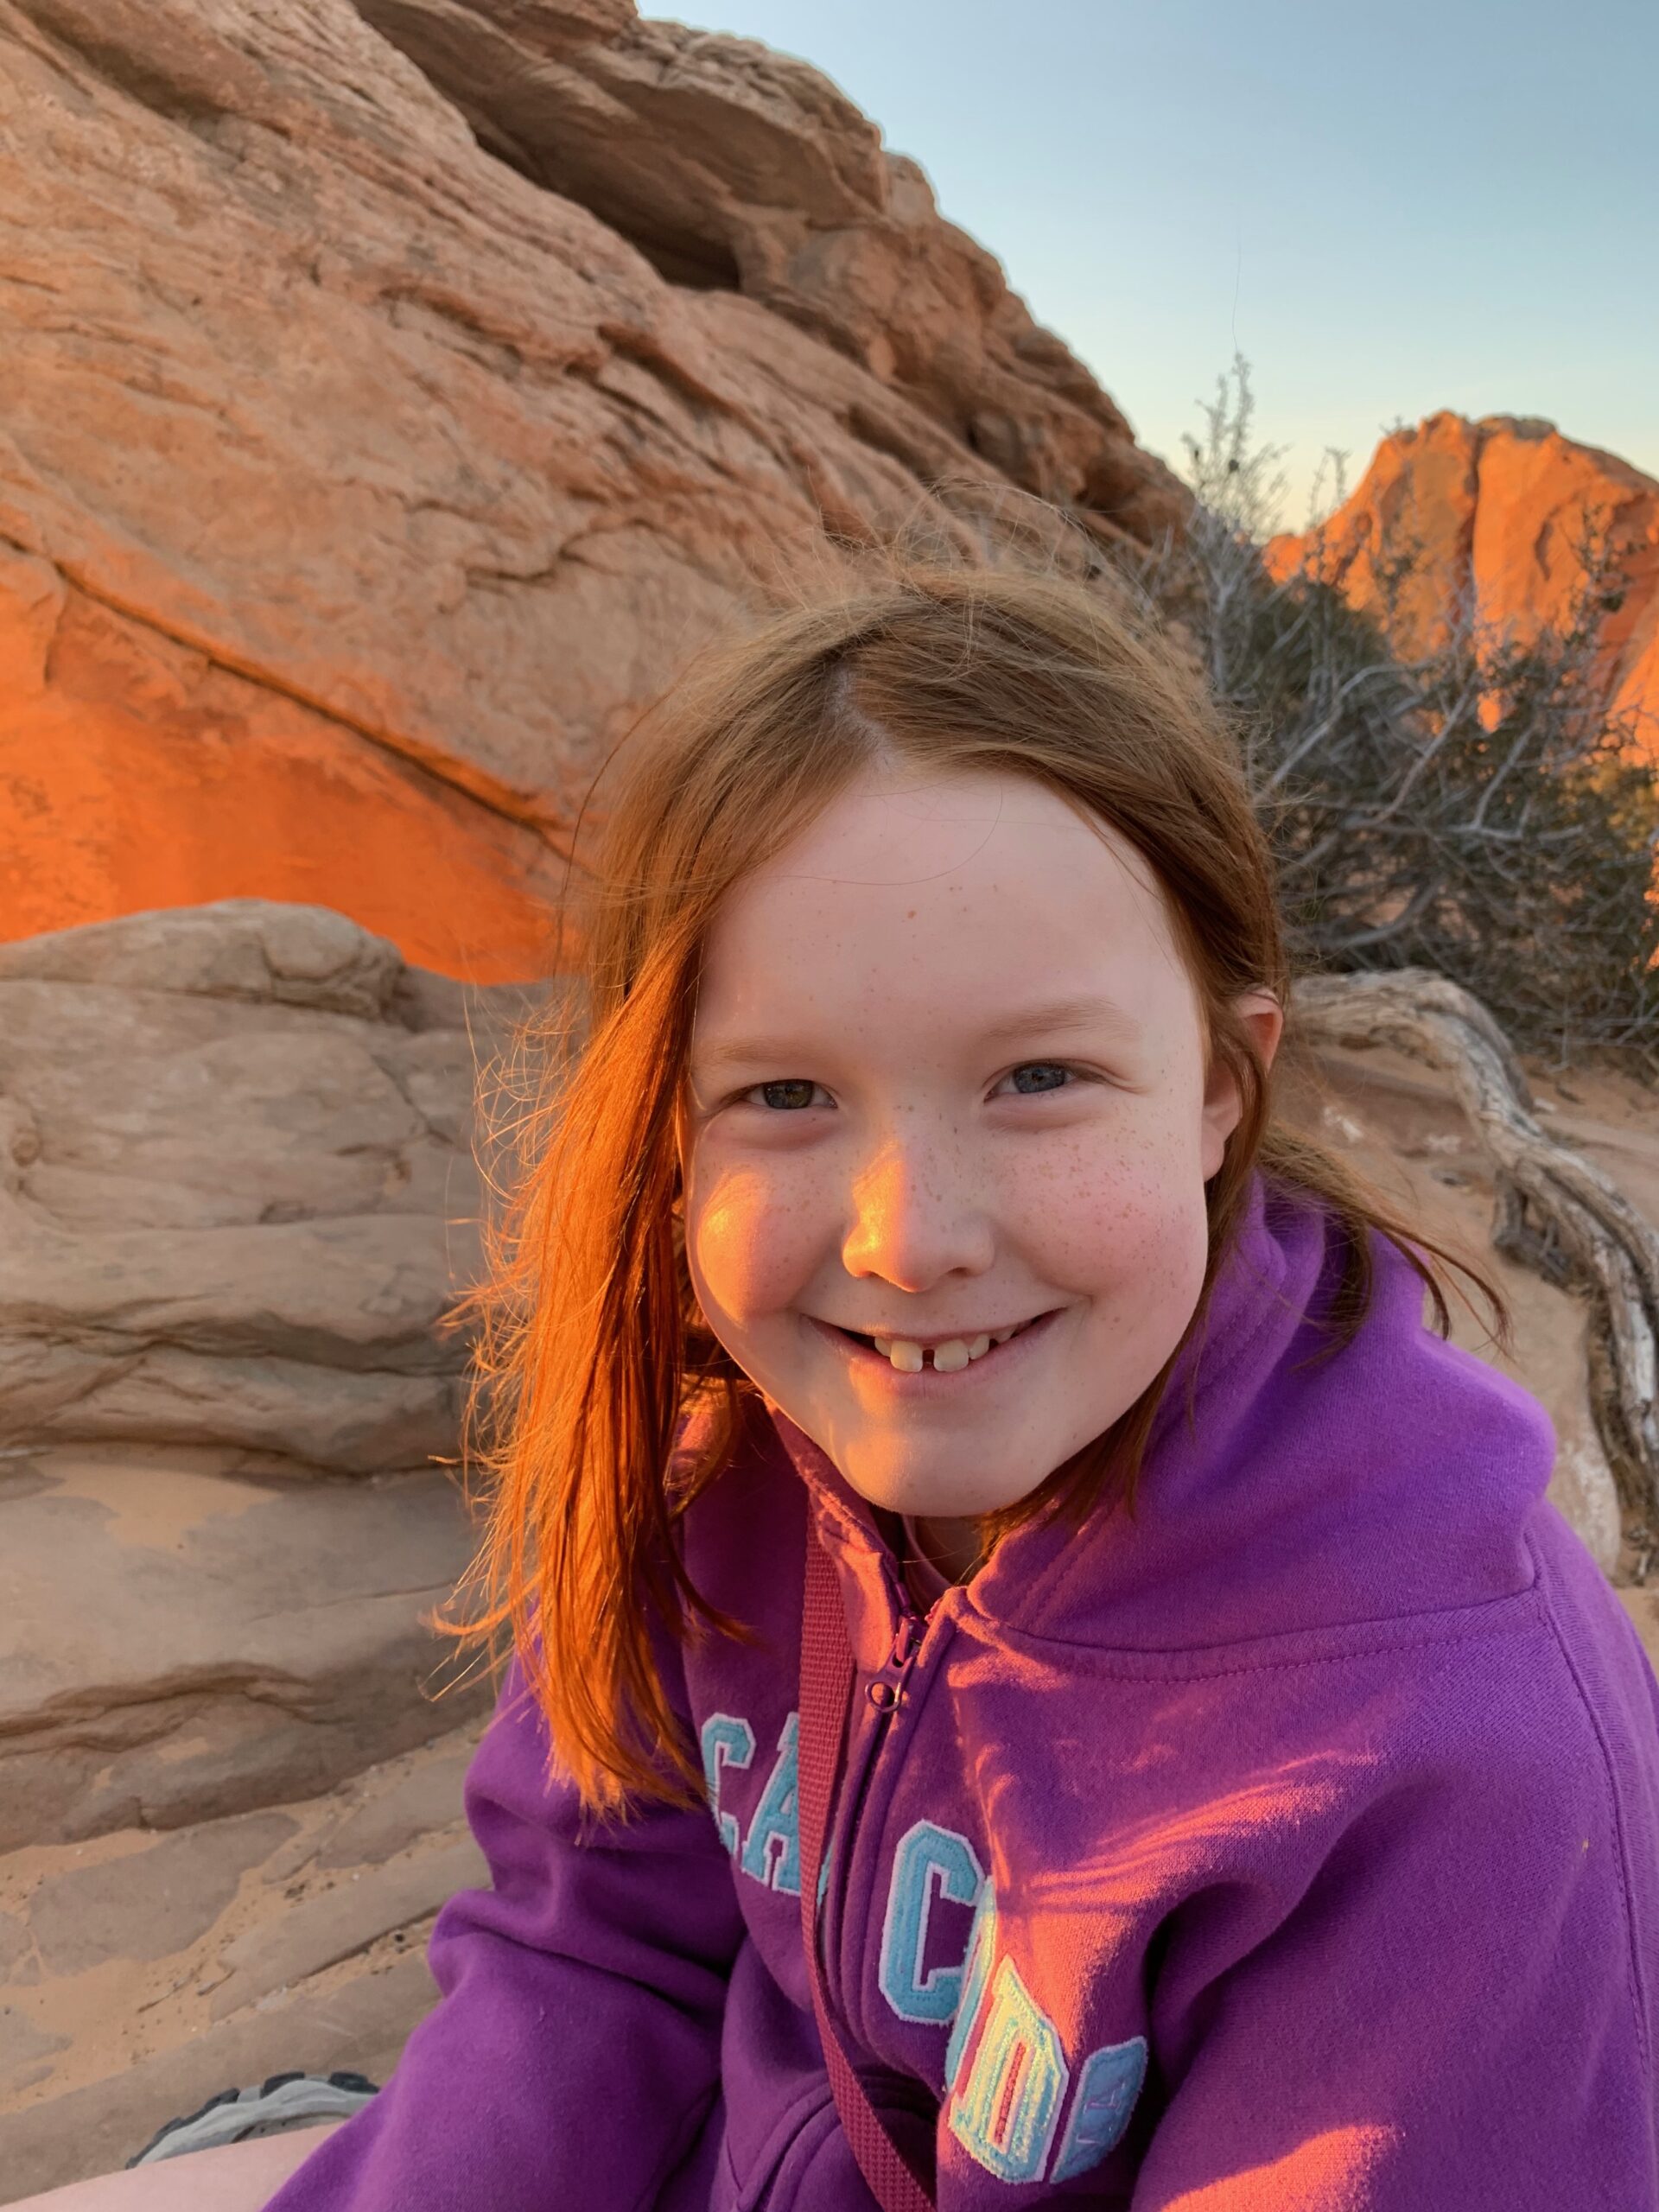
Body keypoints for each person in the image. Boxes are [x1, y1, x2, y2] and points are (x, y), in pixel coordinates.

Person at [29, 550, 1659, 2209]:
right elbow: (596, 1961)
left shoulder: (1451, 1757)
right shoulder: (721, 1467)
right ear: (667, 1129)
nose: (910, 1238)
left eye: (1040, 1077)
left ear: (1224, 1092)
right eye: (786, 1094)